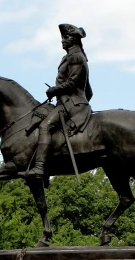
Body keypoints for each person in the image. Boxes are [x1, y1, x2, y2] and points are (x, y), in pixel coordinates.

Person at [23, 23, 93, 180]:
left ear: (74, 40)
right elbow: (89, 90)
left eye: (66, 37)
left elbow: (73, 83)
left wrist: (55, 90)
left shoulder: (75, 57)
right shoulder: (72, 57)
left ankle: (39, 167)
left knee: (45, 126)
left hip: (71, 104)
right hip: (70, 102)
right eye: (62, 37)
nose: (62, 40)